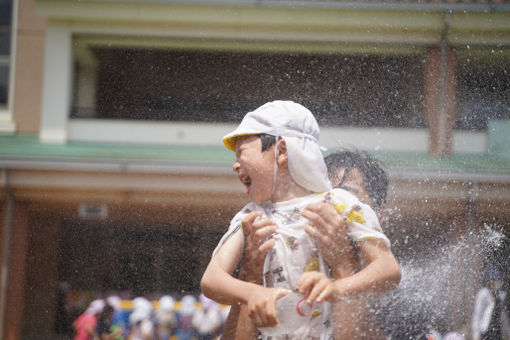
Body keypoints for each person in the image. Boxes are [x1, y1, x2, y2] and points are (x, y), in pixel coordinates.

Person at [200, 100, 401, 339]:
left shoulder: (339, 205)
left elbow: (388, 269)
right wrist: (251, 292)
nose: (235, 165)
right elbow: (211, 281)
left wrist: (337, 288)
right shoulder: (250, 216)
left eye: (242, 153)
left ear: (282, 151)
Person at [222, 148, 393, 339]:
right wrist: (251, 270)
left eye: (346, 197)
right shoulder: (287, 260)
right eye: (321, 196)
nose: (331, 206)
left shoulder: (394, 294)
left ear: (379, 215)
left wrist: (343, 264)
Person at [472, 266, 510, 340]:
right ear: (489, 281)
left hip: (497, 331)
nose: (497, 281)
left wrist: (508, 331)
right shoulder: (483, 294)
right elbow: (477, 315)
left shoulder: (501, 295)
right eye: (494, 279)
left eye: (498, 279)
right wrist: (476, 335)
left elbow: (503, 315)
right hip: (486, 331)